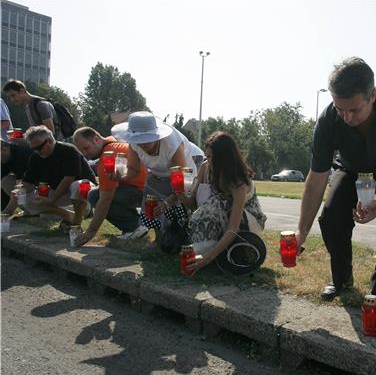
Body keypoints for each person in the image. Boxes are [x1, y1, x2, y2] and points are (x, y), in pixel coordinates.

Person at [296, 57, 376, 301]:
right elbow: (317, 178)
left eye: (354, 110)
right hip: (352, 168)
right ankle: (341, 280)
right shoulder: (327, 120)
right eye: (339, 108)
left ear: (372, 96)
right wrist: (302, 232)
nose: (346, 117)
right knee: (331, 215)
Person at [178, 131, 267, 273]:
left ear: (225, 158)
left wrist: (206, 258)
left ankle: (216, 252)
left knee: (219, 203)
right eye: (207, 156)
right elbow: (194, 205)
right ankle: (207, 248)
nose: (209, 161)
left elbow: (233, 228)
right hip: (214, 223)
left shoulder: (238, 181)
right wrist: (182, 197)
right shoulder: (204, 169)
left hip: (244, 222)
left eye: (213, 157)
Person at [110, 111, 204, 241]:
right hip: (158, 172)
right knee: (151, 200)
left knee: (180, 202)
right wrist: (120, 177)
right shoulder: (134, 143)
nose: (142, 145)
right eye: (139, 141)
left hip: (188, 166)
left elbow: (182, 182)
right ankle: (158, 239)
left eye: (146, 141)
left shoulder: (172, 144)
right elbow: (133, 169)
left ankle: (184, 236)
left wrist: (168, 202)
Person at [5, 126, 96, 227]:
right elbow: (28, 182)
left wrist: (52, 200)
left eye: (39, 147)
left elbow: (68, 179)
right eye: (33, 149)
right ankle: (67, 215)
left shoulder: (68, 150)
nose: (37, 151)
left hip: (84, 193)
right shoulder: (35, 157)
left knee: (78, 185)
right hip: (59, 193)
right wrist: (18, 192)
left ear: (49, 141)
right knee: (25, 199)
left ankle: (79, 218)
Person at [72, 127, 149, 246]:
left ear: (96, 139)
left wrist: (90, 232)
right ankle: (139, 224)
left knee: (95, 196)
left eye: (86, 148)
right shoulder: (114, 142)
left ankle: (134, 227)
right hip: (146, 190)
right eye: (82, 151)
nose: (85, 154)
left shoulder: (107, 157)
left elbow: (105, 199)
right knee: (98, 193)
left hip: (144, 193)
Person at [1, 139, 33, 212]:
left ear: (3, 149)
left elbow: (22, 186)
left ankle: (32, 210)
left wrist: (6, 212)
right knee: (5, 181)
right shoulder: (4, 156)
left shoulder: (22, 155)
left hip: (47, 185)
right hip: (29, 183)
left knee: (18, 187)